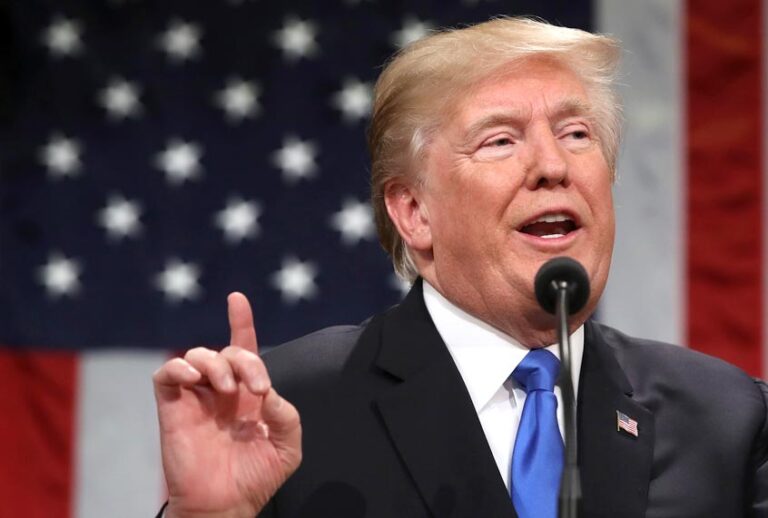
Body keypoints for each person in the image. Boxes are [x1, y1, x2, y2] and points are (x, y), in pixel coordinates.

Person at [153, 17, 768, 518]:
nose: (553, 165)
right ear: (415, 212)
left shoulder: (722, 417)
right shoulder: (290, 407)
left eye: (577, 134)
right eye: (500, 141)